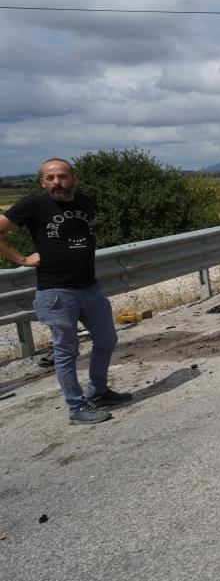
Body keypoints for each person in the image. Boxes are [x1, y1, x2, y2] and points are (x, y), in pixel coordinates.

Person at [0, 158, 131, 424]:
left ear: (74, 179)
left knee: (107, 340)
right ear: (42, 181)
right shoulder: (33, 205)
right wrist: (22, 259)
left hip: (90, 288)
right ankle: (76, 407)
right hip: (57, 292)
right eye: (50, 178)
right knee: (66, 351)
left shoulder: (84, 202)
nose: (56, 182)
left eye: (62, 176)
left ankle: (99, 391)